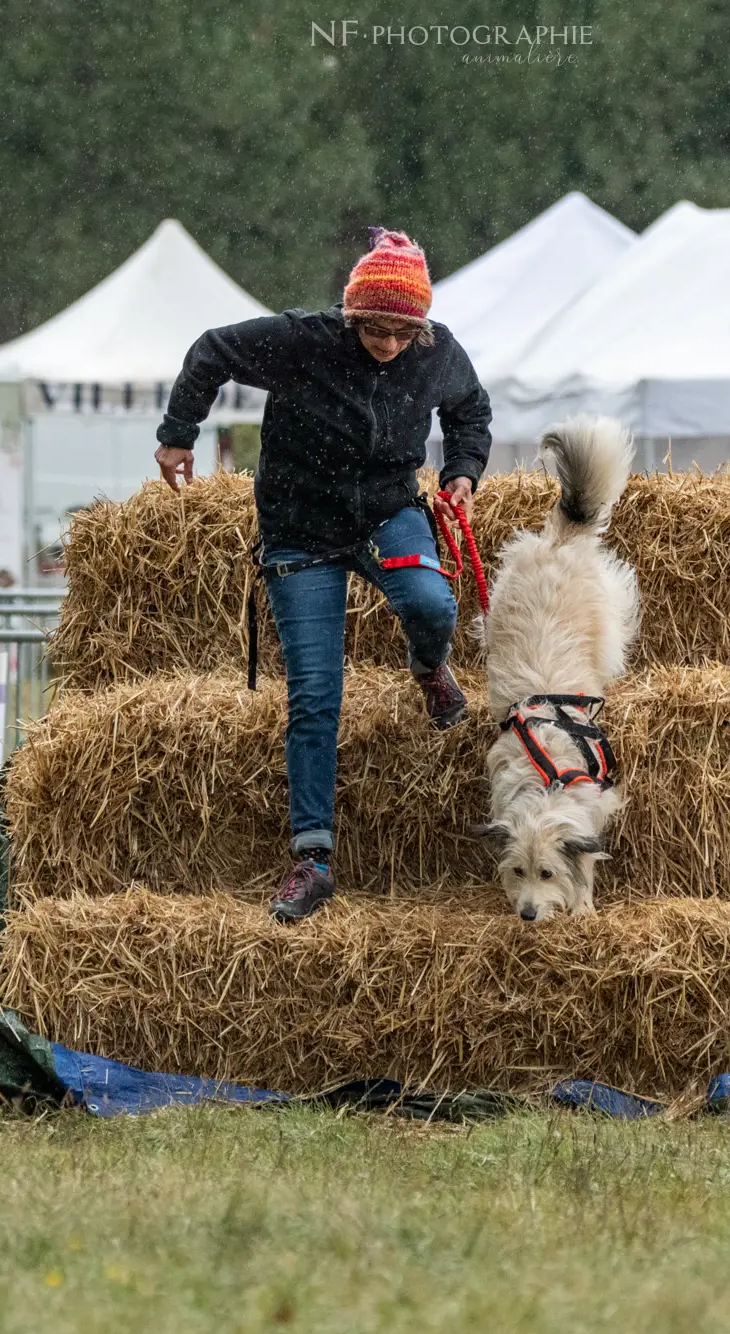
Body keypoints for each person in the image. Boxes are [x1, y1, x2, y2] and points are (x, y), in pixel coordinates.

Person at [152, 227, 492, 924]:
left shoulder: (439, 351)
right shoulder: (302, 340)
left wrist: (463, 468)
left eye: (403, 331)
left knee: (432, 605)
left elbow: (471, 410)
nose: (390, 342)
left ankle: (430, 668)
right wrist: (178, 432)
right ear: (353, 313)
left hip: (387, 510)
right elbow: (211, 348)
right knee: (314, 693)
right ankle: (312, 858)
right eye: (376, 327)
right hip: (300, 525)